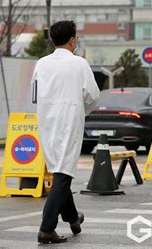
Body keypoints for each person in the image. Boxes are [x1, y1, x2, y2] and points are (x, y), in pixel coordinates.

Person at [31, 20, 100, 244]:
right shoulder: (79, 64)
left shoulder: (41, 64)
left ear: (52, 40)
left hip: (46, 121)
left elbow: (34, 95)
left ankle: (72, 217)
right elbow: (93, 96)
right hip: (69, 121)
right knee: (63, 174)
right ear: (73, 40)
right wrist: (81, 110)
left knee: (60, 169)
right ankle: (46, 228)